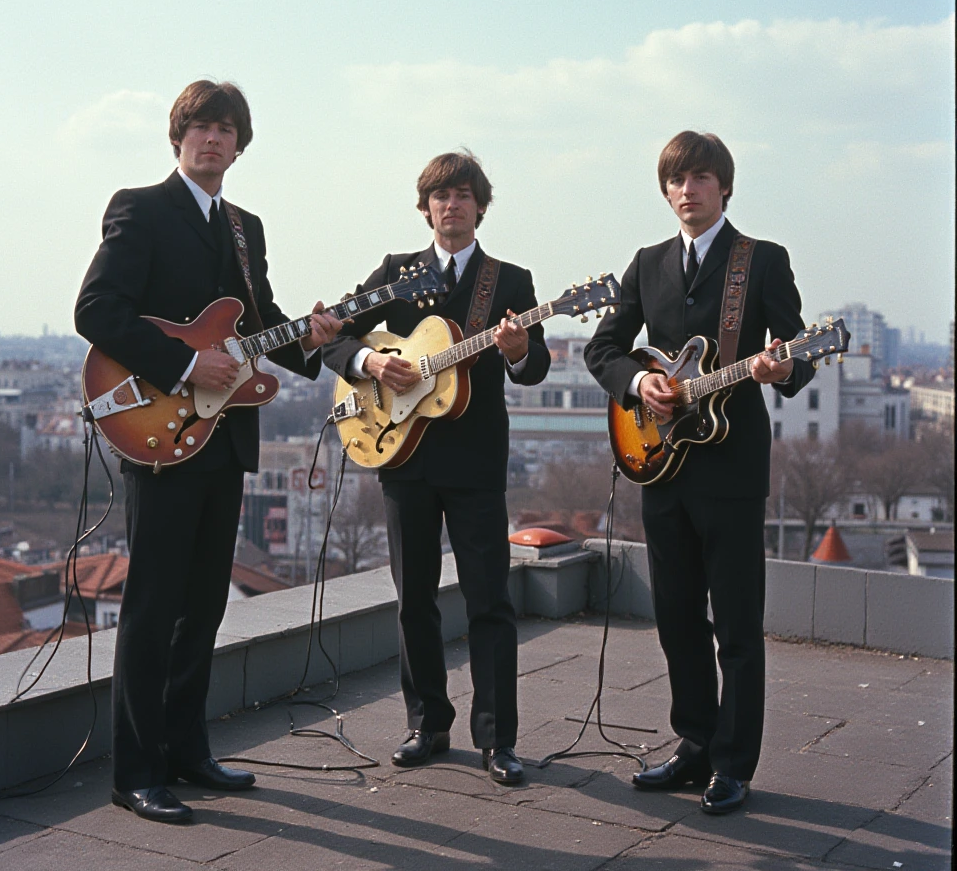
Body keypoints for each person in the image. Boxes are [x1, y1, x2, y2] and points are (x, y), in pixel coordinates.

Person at [75, 80, 341, 824]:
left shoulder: (244, 227)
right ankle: (135, 772)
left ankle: (186, 751)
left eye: (226, 129)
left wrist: (314, 342)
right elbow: (95, 310)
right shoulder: (140, 207)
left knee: (203, 605)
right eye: (201, 126)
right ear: (178, 135)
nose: (213, 139)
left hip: (224, 440)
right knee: (153, 605)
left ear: (239, 144)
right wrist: (187, 367)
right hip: (161, 434)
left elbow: (259, 319)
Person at [583, 131, 814, 814]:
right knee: (676, 615)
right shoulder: (648, 262)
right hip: (660, 465)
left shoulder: (760, 262)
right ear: (666, 191)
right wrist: (638, 385)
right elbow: (602, 349)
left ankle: (734, 763)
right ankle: (695, 744)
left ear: (724, 187)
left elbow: (795, 356)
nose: (689, 190)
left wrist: (784, 365)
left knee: (737, 625)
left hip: (732, 467)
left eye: (702, 178)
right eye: (677, 180)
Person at [322, 152, 550, 785]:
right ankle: (427, 724)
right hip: (403, 455)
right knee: (413, 600)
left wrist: (520, 347)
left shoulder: (509, 281)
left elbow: (534, 368)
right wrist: (370, 364)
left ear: (481, 206)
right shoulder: (396, 273)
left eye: (464, 194)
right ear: (425, 207)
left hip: (476, 462)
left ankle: (497, 739)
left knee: (490, 602)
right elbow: (336, 335)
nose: (452, 204)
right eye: (440, 195)